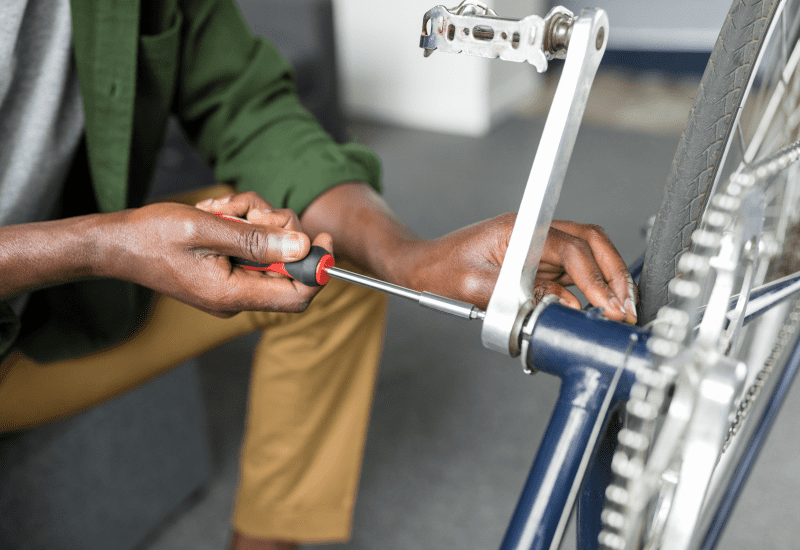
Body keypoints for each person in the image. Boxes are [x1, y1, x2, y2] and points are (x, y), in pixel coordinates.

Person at [0, 1, 638, 549]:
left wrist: (403, 256)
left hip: (46, 313)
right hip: (62, 274)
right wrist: (98, 247)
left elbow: (246, 107)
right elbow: (102, 246)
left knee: (332, 266)